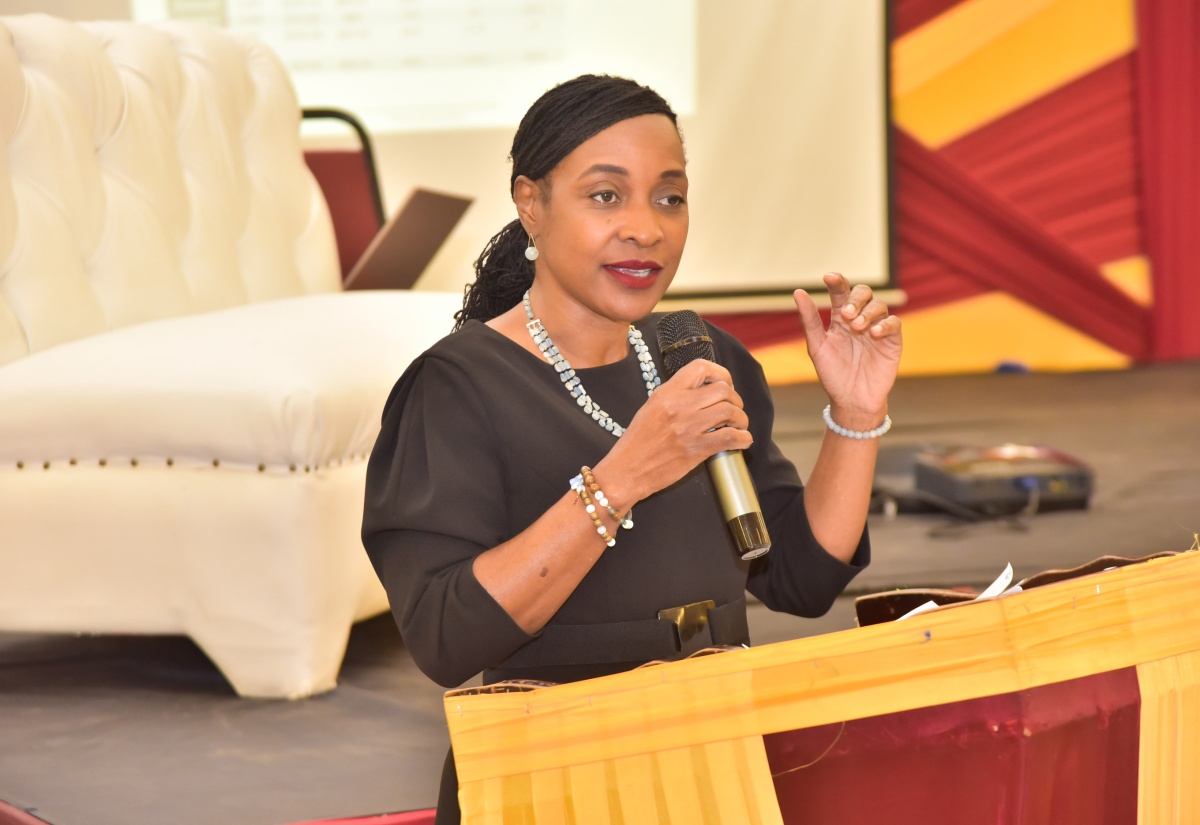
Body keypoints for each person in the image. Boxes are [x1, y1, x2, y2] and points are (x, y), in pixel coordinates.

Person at [362, 74, 902, 823]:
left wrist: (855, 412)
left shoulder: (698, 358)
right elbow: (445, 634)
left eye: (669, 196)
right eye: (606, 195)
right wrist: (623, 477)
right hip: (552, 782)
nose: (646, 228)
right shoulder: (456, 387)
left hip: (717, 765)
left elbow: (801, 578)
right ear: (531, 204)